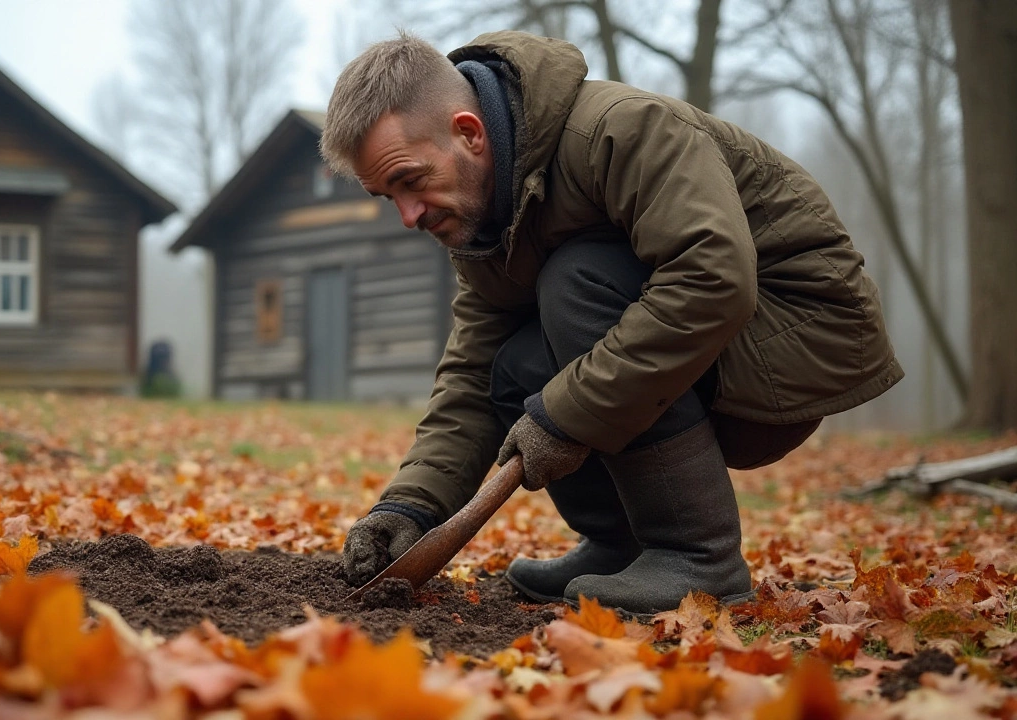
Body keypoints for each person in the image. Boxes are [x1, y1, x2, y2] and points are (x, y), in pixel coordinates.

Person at [320, 30, 902, 615]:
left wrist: (567, 413)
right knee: (514, 365)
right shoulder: (486, 225)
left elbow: (713, 278)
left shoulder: (620, 131)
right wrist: (410, 507)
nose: (407, 216)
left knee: (576, 279)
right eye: (385, 196)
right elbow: (470, 377)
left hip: (792, 336)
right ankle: (618, 547)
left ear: (469, 133)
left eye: (410, 182)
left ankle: (698, 557)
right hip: (705, 349)